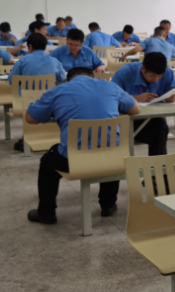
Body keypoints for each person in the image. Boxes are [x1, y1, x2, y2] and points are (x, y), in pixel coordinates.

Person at [25, 67, 141, 225]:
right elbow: (135, 109)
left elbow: (30, 119)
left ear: (69, 79)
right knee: (109, 145)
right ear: (92, 76)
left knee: (47, 163)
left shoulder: (57, 91)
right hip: (114, 158)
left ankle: (46, 213)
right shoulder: (110, 86)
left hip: (74, 160)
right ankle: (108, 205)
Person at [111, 53, 175, 156]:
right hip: (128, 122)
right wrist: (135, 98)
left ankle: (158, 164)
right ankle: (159, 164)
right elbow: (111, 97)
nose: (156, 79)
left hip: (153, 119)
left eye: (159, 76)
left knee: (160, 128)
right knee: (159, 131)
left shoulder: (166, 71)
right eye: (153, 76)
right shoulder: (125, 72)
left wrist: (174, 96)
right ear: (143, 69)